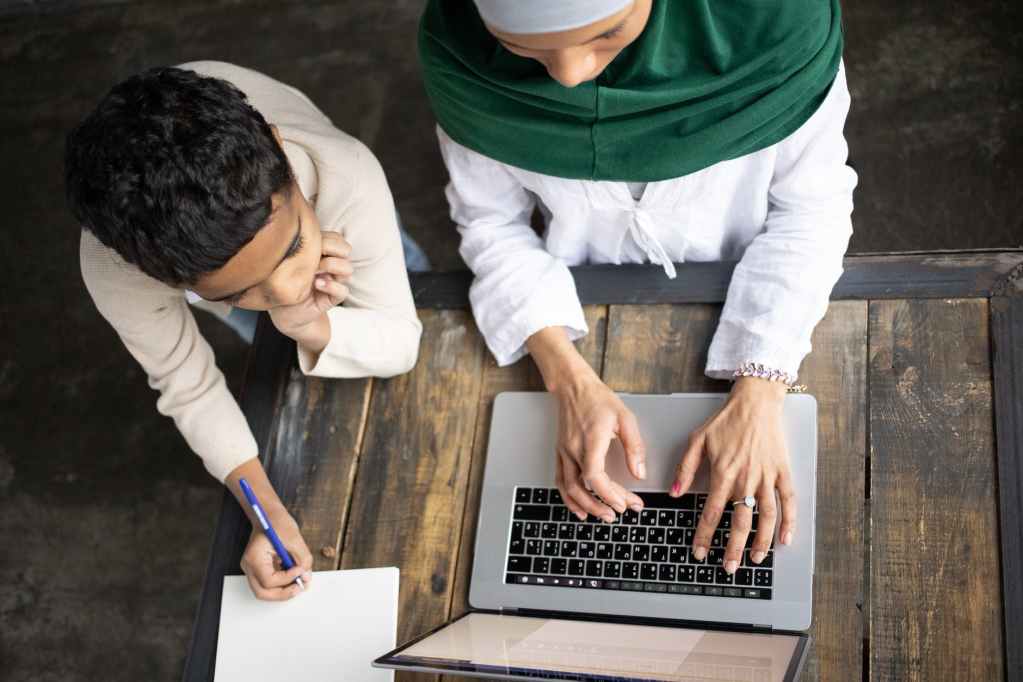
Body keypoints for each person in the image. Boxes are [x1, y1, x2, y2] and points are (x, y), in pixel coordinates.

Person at [420, 0, 856, 576]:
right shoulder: (463, 59)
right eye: (524, 49)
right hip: (583, 297)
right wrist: (566, 378)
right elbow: (489, 224)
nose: (570, 77)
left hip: (765, 286)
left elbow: (812, 211)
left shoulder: (777, 26)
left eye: (606, 34)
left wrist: (761, 390)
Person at [66, 62, 423, 600]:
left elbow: (401, 341)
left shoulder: (346, 173)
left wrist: (308, 323)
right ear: (160, 277)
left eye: (295, 246)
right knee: (266, 332)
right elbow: (187, 386)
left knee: (409, 277)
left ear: (279, 150)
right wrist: (268, 513)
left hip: (341, 210)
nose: (287, 288)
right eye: (238, 292)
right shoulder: (117, 269)